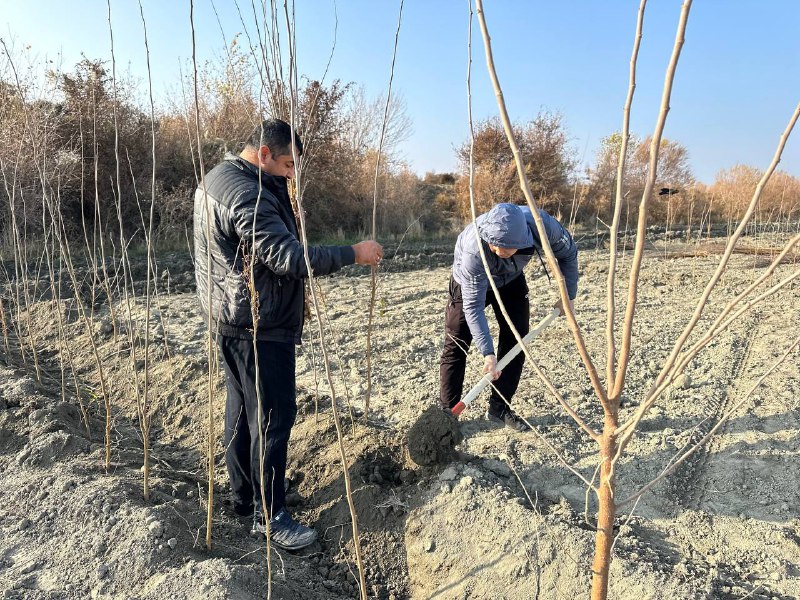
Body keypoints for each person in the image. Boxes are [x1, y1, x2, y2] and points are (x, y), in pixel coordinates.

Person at [193, 118, 382, 550]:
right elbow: (287, 257)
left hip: (230, 318)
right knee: (274, 418)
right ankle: (270, 515)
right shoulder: (247, 193)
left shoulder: (218, 178)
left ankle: (247, 499)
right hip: (260, 325)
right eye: (287, 164)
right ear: (263, 154)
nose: (291, 173)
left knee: (243, 412)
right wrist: (353, 253)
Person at [439, 202, 578, 431]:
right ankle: (447, 413)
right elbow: (472, 307)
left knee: (517, 338)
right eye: (494, 244)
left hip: (511, 279)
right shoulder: (476, 250)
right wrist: (488, 353)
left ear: (522, 240)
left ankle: (499, 407)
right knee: (457, 342)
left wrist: (568, 295)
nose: (497, 250)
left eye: (505, 247)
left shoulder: (541, 226)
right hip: (470, 281)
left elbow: (569, 253)